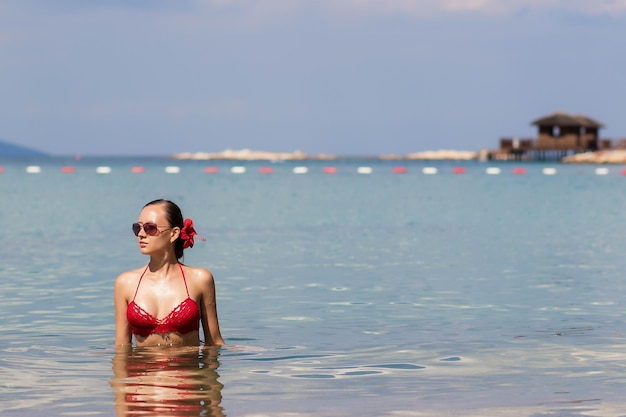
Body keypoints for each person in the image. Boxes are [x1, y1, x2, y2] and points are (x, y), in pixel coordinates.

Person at [114, 199, 224, 347]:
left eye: (150, 228)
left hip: (187, 370)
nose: (141, 234)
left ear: (174, 234)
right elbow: (121, 347)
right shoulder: (126, 283)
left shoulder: (200, 279)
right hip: (140, 369)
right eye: (137, 228)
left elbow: (214, 343)